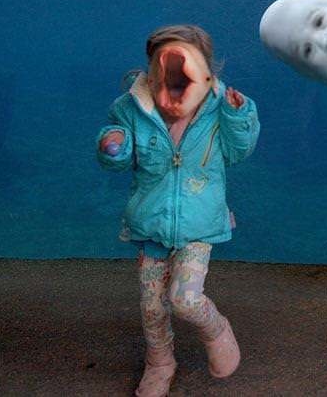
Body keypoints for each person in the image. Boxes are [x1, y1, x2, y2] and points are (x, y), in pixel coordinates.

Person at [96, 24, 260, 396]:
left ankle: (217, 330)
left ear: (207, 72)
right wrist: (113, 144)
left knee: (184, 299)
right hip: (150, 225)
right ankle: (160, 362)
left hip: (200, 225)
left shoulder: (221, 108)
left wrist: (239, 117)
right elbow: (118, 158)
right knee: (152, 308)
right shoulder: (131, 108)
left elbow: (238, 152)